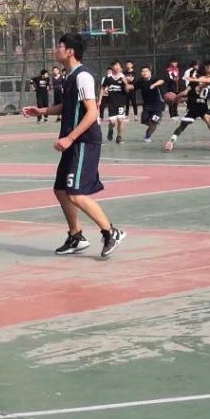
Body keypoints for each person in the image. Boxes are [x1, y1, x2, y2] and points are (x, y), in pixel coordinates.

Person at [22, 33, 126, 258]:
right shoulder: (69, 77)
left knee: (76, 193)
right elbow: (67, 106)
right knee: (61, 190)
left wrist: (70, 138)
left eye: (59, 45)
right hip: (73, 141)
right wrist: (42, 111)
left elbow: (92, 112)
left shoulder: (83, 77)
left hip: (84, 141)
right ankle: (76, 236)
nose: (55, 49)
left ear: (70, 51)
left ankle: (111, 232)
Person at [163, 60, 210, 152]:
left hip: (193, 108)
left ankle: (171, 141)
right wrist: (184, 99)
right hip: (203, 106)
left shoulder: (194, 82)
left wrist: (175, 97)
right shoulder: (208, 82)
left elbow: (185, 92)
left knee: (182, 126)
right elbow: (196, 95)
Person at [100, 61, 130, 143]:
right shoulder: (108, 77)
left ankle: (119, 136)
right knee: (112, 122)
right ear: (112, 67)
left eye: (118, 65)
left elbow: (127, 90)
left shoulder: (123, 77)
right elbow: (102, 89)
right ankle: (110, 130)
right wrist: (99, 100)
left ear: (120, 67)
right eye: (115, 65)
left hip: (121, 103)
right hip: (111, 103)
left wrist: (126, 83)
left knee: (120, 120)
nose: (117, 67)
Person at [135, 65, 166, 142]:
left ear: (150, 72)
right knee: (144, 120)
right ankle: (155, 124)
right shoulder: (140, 81)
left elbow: (162, 81)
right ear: (141, 73)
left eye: (146, 71)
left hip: (158, 104)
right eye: (143, 71)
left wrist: (154, 84)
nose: (144, 73)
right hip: (147, 105)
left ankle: (148, 135)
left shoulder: (154, 79)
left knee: (153, 121)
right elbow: (133, 87)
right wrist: (127, 85)